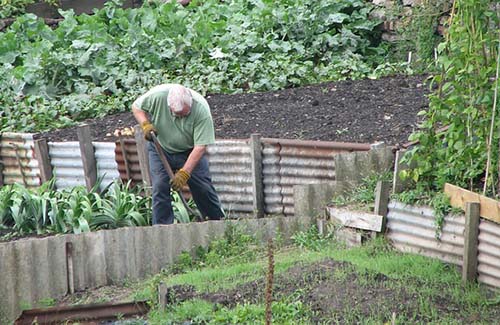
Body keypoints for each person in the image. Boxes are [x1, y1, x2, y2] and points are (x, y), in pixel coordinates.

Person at [132, 84, 225, 224]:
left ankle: (216, 223)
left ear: (190, 104)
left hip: (189, 151)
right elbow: (136, 107)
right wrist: (145, 124)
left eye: (184, 115)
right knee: (160, 187)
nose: (181, 118)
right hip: (160, 148)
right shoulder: (157, 96)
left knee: (203, 187)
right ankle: (162, 229)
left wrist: (184, 174)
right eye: (177, 114)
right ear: (169, 106)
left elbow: (200, 147)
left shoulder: (201, 110)